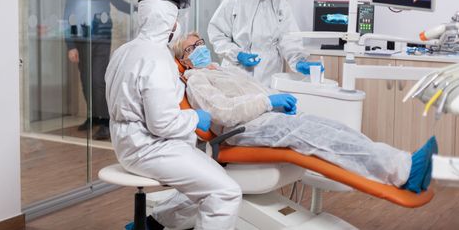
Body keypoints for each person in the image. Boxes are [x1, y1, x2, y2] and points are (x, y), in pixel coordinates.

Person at [172, 32, 437, 194]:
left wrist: (275, 102)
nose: (200, 49)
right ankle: (402, 170)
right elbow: (224, 113)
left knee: (332, 128)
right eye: (191, 48)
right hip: (243, 130)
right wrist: (268, 101)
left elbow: (254, 93)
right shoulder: (196, 80)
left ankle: (401, 163)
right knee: (320, 137)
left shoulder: (223, 71)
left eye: (201, 43)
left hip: (264, 119)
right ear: (184, 61)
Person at [105, 0, 242, 230]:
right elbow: (162, 124)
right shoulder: (158, 59)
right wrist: (195, 118)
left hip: (127, 141)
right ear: (168, 21)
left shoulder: (123, 51)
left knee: (209, 182)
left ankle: (153, 224)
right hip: (150, 148)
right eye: (176, 20)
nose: (178, 25)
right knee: (226, 192)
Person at [208, 0, 323, 87]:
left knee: (268, 105)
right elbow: (217, 35)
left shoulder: (280, 4)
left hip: (269, 73)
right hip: (236, 73)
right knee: (239, 104)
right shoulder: (233, 1)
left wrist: (298, 61)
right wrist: (237, 54)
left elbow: (289, 38)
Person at [64, 0, 132, 140]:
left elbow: (121, 5)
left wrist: (141, 8)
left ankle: (105, 123)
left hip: (102, 39)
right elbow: (68, 15)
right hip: (81, 40)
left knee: (98, 81)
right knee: (86, 81)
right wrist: (70, 45)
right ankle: (93, 116)